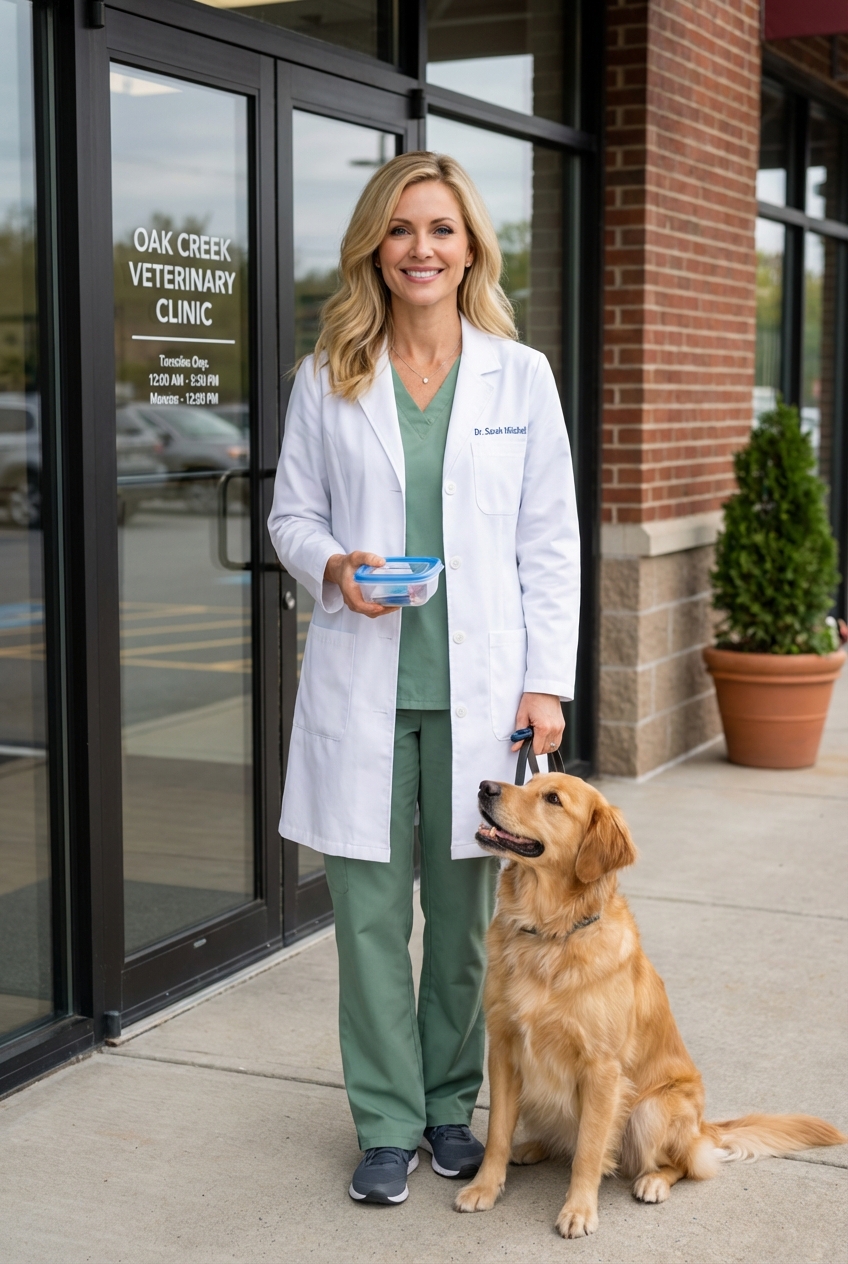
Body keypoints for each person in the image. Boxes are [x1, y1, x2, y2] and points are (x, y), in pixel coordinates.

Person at [268, 151, 580, 1206]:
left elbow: (549, 541)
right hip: (362, 685)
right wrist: (334, 567)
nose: (421, 249)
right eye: (401, 229)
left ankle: (450, 1105)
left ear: (471, 248)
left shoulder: (518, 375)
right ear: (374, 247)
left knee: (460, 928)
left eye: (441, 229)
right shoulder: (327, 375)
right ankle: (386, 1121)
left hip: (480, 698)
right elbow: (291, 515)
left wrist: (545, 682)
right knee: (365, 923)